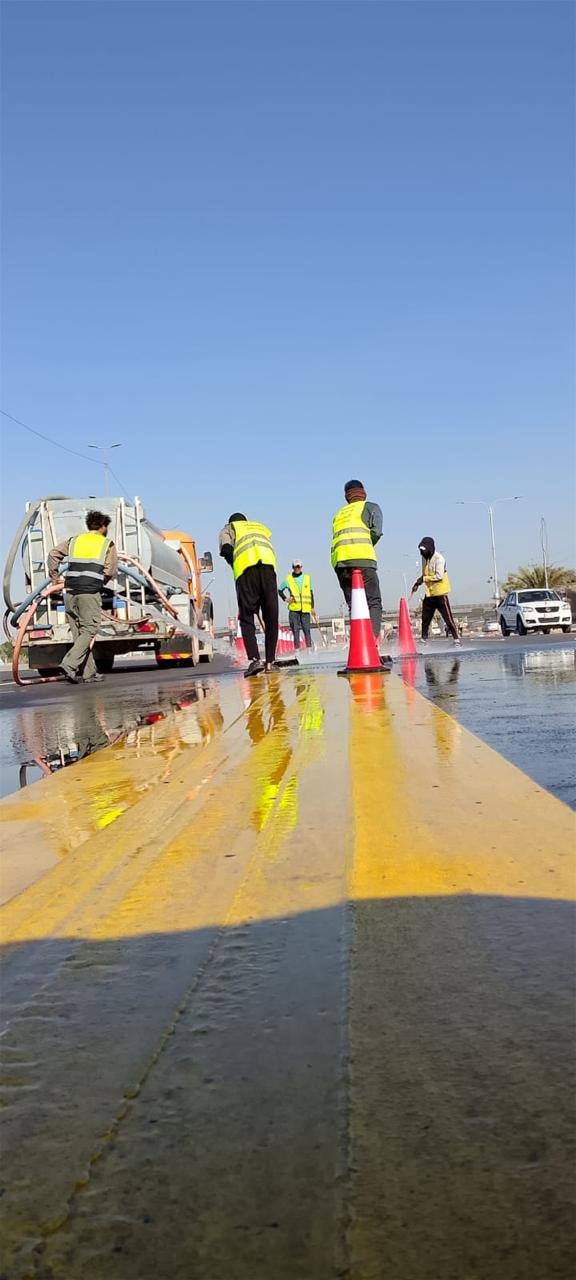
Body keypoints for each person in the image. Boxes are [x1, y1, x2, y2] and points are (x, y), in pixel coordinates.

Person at [47, 510, 117, 683]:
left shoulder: (74, 540)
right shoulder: (106, 544)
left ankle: (89, 673)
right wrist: (99, 582)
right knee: (90, 629)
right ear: (103, 526)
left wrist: (55, 577)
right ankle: (69, 664)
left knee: (79, 634)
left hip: (70, 592)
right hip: (89, 593)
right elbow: (110, 570)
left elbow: (53, 554)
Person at [218, 513, 279, 677]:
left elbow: (226, 549)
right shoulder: (259, 527)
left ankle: (255, 660)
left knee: (246, 617)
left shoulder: (229, 528)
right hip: (268, 569)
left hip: (246, 571)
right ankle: (270, 662)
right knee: (271, 616)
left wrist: (234, 564)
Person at [331, 480, 383, 639]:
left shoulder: (339, 514)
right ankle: (372, 642)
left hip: (341, 563)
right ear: (363, 492)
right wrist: (367, 544)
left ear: (346, 496)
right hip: (363, 560)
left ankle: (359, 642)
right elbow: (376, 531)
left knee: (354, 605)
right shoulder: (370, 507)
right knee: (373, 601)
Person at [412, 536, 460, 644]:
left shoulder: (439, 559)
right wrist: (417, 583)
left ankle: (456, 640)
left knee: (448, 619)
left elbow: (439, 576)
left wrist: (424, 579)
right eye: (421, 550)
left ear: (430, 548)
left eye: (424, 550)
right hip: (429, 593)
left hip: (440, 594)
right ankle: (423, 640)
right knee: (425, 618)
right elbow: (425, 574)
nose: (422, 553)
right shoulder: (424, 558)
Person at [279, 560, 314, 650]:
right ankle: (297, 651)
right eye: (295, 567)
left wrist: (312, 607)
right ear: (293, 568)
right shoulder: (288, 579)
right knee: (295, 631)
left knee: (307, 630)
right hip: (294, 610)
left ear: (301, 567)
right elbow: (279, 590)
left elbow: (311, 593)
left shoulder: (307, 578)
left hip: (305, 609)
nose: (297, 568)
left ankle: (309, 650)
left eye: (298, 567)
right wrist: (285, 599)